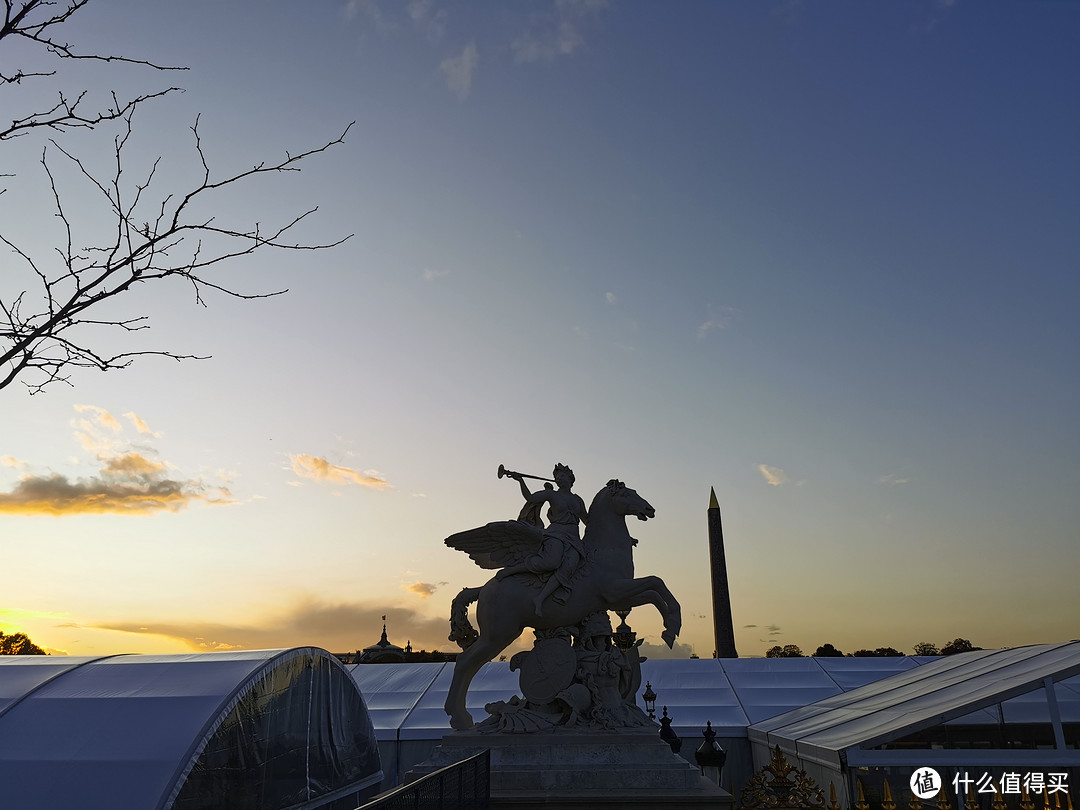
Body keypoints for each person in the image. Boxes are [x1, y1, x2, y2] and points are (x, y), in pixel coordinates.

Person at [496, 463, 588, 616]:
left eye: (562, 476)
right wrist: (521, 481)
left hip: (574, 539)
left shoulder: (578, 499)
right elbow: (531, 498)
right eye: (557, 477)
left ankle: (540, 598)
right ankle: (512, 570)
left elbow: (587, 519)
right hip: (556, 535)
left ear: (570, 478)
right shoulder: (552, 495)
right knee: (551, 562)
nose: (559, 479)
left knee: (568, 568)